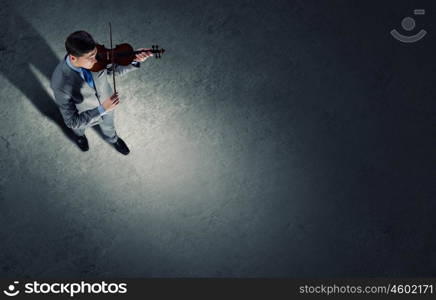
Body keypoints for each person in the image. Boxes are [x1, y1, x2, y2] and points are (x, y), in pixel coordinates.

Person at [50, 30, 152, 154]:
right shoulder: (60, 83)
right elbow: (72, 121)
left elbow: (115, 69)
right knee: (79, 130)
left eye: (95, 54)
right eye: (90, 58)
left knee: (109, 126)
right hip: (85, 112)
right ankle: (80, 137)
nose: (96, 59)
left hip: (107, 101)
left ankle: (113, 139)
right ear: (73, 58)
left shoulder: (98, 55)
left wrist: (134, 60)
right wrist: (102, 109)